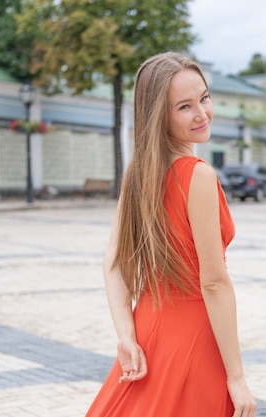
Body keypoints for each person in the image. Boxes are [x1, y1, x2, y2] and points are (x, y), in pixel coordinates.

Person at [84, 52, 256, 417]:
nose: (202, 114)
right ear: (159, 114)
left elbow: (113, 263)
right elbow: (213, 283)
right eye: (184, 106)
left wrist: (127, 337)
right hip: (195, 337)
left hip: (148, 331)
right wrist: (237, 377)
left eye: (204, 98)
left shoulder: (138, 175)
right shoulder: (198, 176)